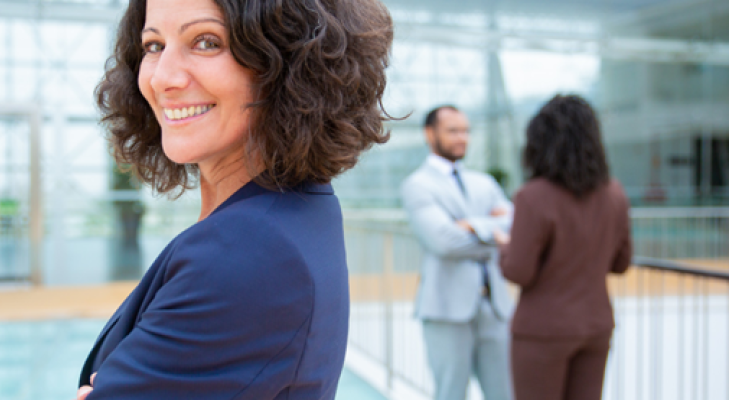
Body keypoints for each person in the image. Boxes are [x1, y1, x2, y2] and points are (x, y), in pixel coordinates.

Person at [75, 0, 394, 399]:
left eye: (206, 42)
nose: (163, 79)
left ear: (288, 62)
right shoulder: (297, 209)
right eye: (153, 46)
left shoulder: (249, 248)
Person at [495, 94, 632, 400]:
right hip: (596, 326)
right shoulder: (615, 193)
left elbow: (519, 272)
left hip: (543, 331)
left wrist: (504, 245)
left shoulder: (533, 196)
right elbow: (621, 263)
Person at [400, 106, 515, 400]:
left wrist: (472, 227)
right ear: (430, 134)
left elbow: (515, 224)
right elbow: (445, 241)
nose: (462, 138)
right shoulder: (417, 185)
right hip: (446, 308)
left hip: (496, 306)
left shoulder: (484, 182)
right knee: (450, 393)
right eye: (453, 130)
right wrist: (493, 230)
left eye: (465, 130)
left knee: (506, 393)